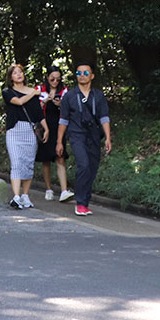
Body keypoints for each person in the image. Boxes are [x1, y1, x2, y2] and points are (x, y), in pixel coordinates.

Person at [55, 63, 112, 217]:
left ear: (92, 76)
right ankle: (79, 202)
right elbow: (63, 120)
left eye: (86, 72)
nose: (82, 75)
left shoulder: (98, 96)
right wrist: (59, 141)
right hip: (76, 134)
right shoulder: (70, 96)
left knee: (92, 168)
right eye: (79, 72)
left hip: (93, 135)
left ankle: (85, 202)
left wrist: (108, 138)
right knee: (83, 165)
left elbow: (104, 117)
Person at [2, 62, 46, 210]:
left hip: (29, 130)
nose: (19, 74)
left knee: (28, 163)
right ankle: (16, 196)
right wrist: (33, 93)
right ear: (11, 77)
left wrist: (46, 128)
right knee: (16, 163)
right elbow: (19, 102)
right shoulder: (8, 92)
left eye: (20, 72)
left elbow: (38, 114)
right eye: (15, 73)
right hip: (14, 130)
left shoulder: (31, 92)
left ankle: (25, 195)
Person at [36, 66, 72, 202]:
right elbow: (34, 108)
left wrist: (60, 104)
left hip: (59, 127)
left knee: (60, 156)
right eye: (52, 78)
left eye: (58, 78)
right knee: (46, 159)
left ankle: (64, 191)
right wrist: (45, 101)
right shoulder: (39, 90)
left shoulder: (65, 91)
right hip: (45, 127)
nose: (55, 81)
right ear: (47, 78)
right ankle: (48, 189)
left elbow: (69, 110)